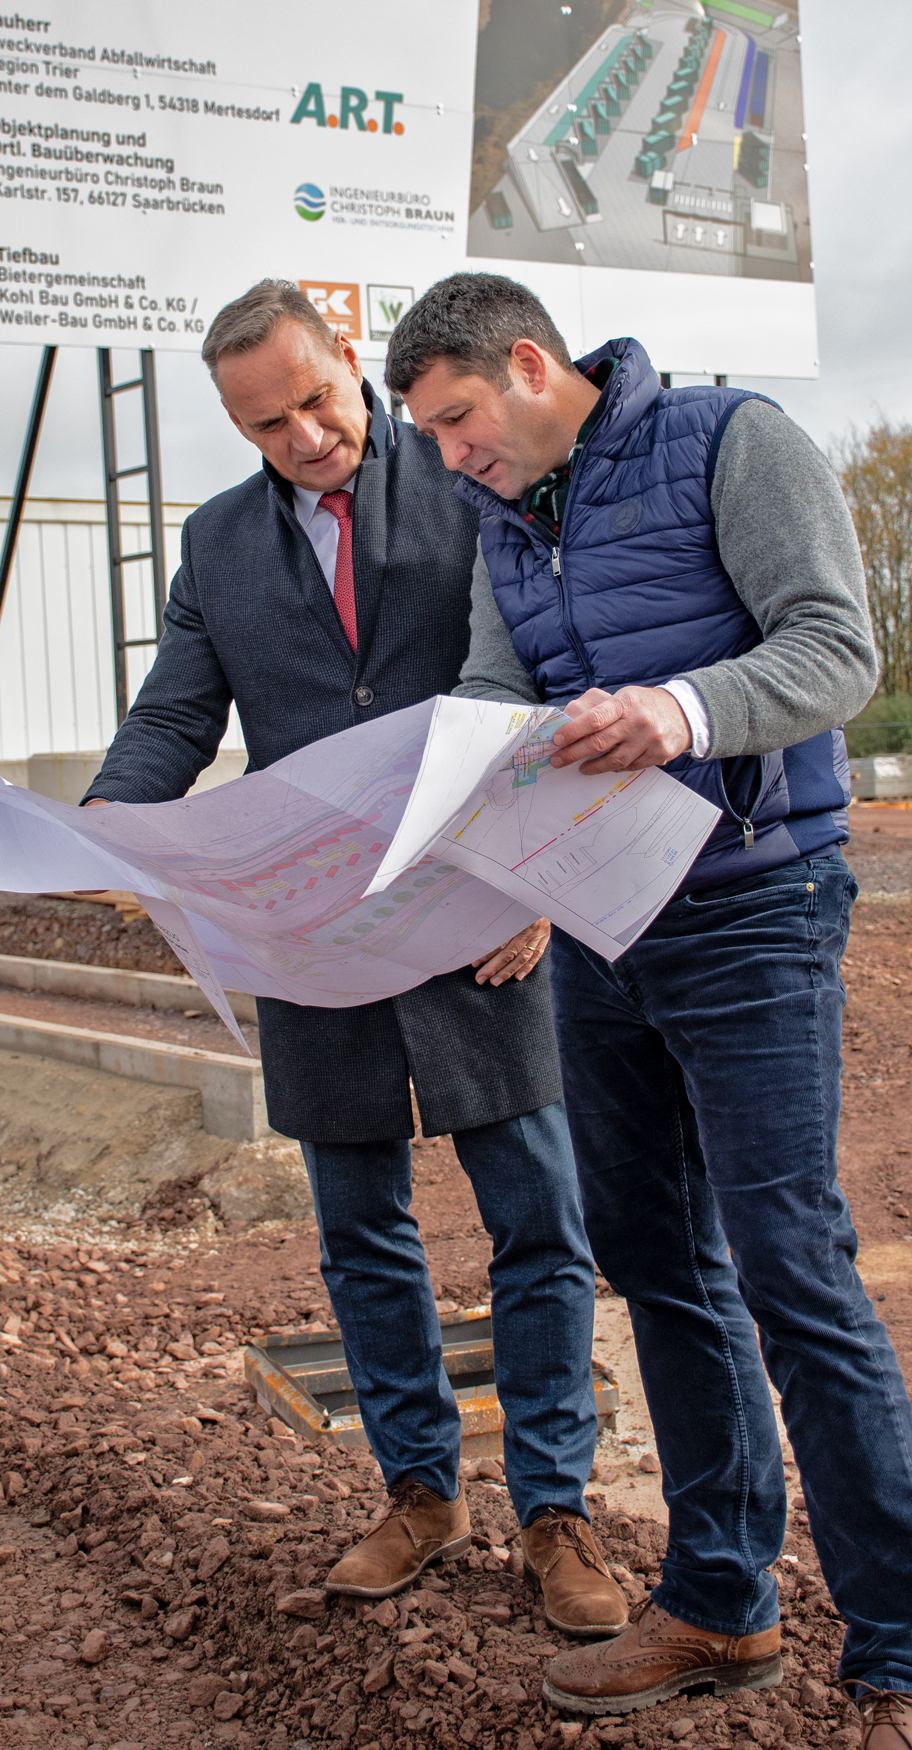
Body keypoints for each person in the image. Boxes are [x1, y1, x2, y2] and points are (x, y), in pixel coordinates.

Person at [385, 274, 912, 1749]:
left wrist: (681, 710)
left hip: (755, 905)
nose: (448, 456)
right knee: (657, 1260)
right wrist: (450, 792)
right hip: (603, 919)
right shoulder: (503, 515)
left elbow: (836, 645)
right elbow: (497, 684)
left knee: (792, 1267)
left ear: (529, 364)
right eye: (433, 436)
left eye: (457, 420)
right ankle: (720, 1598)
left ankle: (909, 1665)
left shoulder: (729, 441)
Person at [83, 279, 627, 1634]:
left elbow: (552, 666)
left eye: (316, 401)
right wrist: (104, 820)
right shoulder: (216, 544)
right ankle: (419, 1494)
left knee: (539, 1219)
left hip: (480, 910)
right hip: (315, 929)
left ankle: (554, 1509)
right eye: (266, 427)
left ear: (345, 356)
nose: (305, 438)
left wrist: (540, 875)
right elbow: (174, 714)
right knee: (360, 1232)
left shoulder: (465, 477)